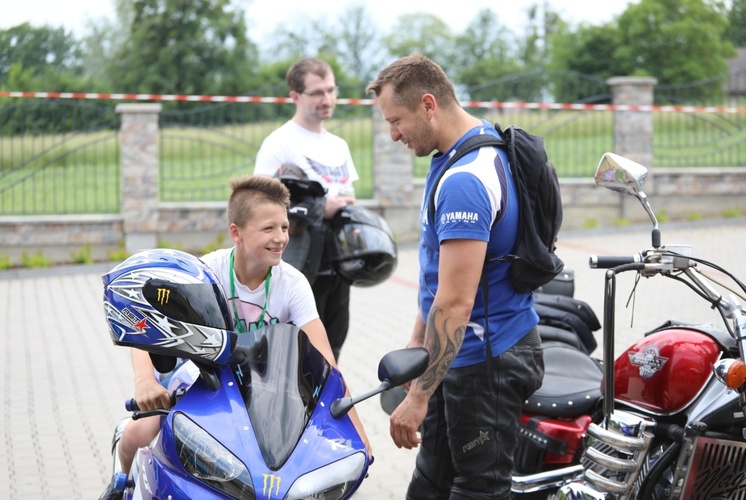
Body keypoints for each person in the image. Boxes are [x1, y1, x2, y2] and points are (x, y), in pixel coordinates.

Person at [104, 175, 370, 498]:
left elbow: (327, 363)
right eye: (268, 229)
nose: (281, 238)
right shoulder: (206, 274)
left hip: (266, 390)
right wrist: (146, 381)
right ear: (237, 233)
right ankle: (119, 482)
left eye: (285, 227)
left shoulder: (294, 284)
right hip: (203, 375)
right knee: (144, 429)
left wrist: (356, 431)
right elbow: (149, 323)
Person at [365, 53, 545, 499]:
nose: (393, 135)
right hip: (458, 352)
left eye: (397, 121)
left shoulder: (466, 178)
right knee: (431, 483)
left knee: (477, 489)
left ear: (429, 105)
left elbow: (457, 300)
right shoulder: (455, 152)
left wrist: (420, 396)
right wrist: (416, 344)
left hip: (489, 360)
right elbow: (437, 281)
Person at [254, 57, 358, 362]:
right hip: (297, 263)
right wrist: (316, 209)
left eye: (331, 90)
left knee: (332, 348)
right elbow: (260, 205)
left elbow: (347, 191)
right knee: (295, 353)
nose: (327, 99)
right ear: (296, 96)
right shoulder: (280, 143)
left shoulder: (338, 144)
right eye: (317, 92)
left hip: (337, 264)